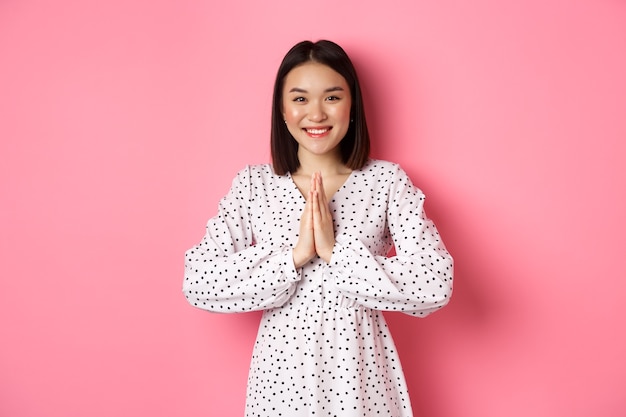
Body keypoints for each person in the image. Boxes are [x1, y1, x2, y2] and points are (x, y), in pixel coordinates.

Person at [183, 39, 453, 417]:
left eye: (331, 97)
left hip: (361, 382)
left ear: (352, 104)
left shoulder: (386, 182)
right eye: (299, 99)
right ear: (281, 109)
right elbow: (199, 281)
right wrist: (294, 257)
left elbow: (434, 283)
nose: (316, 114)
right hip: (280, 384)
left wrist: (336, 253)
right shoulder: (253, 186)